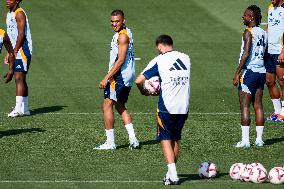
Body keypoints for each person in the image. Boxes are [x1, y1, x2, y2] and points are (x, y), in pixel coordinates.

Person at [135, 35, 191, 185]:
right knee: (175, 138)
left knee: (165, 139)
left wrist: (144, 91)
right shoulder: (186, 58)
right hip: (183, 106)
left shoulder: (159, 60)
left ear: (159, 46)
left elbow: (139, 80)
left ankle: (173, 175)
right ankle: (170, 174)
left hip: (167, 106)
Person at [95, 9, 139, 150]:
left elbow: (120, 60)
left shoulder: (122, 37)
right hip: (127, 75)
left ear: (123, 21)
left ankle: (110, 142)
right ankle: (133, 139)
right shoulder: (127, 32)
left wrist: (106, 78)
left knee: (107, 105)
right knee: (120, 106)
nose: (114, 24)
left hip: (119, 77)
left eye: (117, 21)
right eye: (112, 22)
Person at [233, 5, 267, 148]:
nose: (243, 17)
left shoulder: (248, 32)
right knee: (258, 105)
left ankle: (246, 141)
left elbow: (246, 53)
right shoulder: (264, 33)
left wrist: (237, 72)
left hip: (249, 72)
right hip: (261, 71)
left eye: (245, 15)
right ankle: (259, 140)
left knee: (245, 106)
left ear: (251, 18)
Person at [5, 0, 32, 118]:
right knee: (21, 79)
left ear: (16, 1)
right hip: (16, 49)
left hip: (22, 50)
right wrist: (9, 52)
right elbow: (11, 35)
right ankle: (24, 109)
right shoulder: (9, 14)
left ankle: (18, 109)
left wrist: (15, 51)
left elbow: (21, 34)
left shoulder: (19, 13)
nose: (7, 1)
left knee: (18, 78)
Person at [265, 0, 284, 122]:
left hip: (280, 50)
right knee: (269, 81)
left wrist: (283, 51)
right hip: (269, 50)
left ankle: (283, 112)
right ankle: (277, 111)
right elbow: (269, 26)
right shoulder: (270, 7)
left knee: (282, 81)